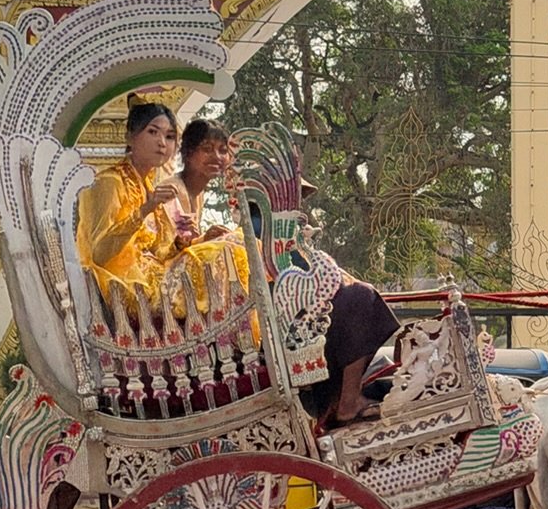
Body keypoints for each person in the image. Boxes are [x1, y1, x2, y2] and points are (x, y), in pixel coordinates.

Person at [167, 119, 397, 428]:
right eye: (207, 150)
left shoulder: (268, 225)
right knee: (361, 298)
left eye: (222, 150)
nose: (217, 157)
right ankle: (347, 402)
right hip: (270, 319)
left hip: (281, 309)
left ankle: (346, 397)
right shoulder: (256, 227)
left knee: (359, 297)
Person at [76, 100, 248, 327]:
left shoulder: (148, 185)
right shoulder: (110, 182)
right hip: (128, 285)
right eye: (152, 132)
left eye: (169, 136)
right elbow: (99, 253)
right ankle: (233, 334)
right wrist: (145, 209)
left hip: (156, 273)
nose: (161, 143)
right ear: (130, 137)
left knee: (238, 240)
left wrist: (194, 241)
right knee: (229, 249)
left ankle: (237, 334)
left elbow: (160, 250)